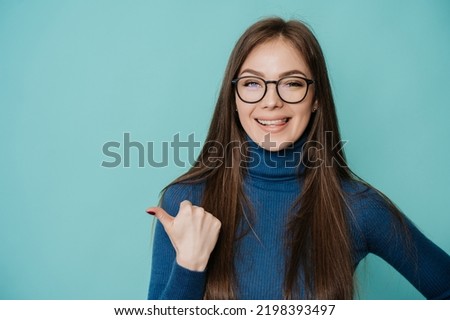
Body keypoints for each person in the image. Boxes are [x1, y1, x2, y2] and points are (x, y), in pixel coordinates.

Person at [145, 17, 450, 299]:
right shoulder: (186, 203)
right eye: (252, 83)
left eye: (292, 83)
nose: (271, 101)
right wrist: (191, 263)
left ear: (316, 98)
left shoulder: (359, 208)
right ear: (234, 97)